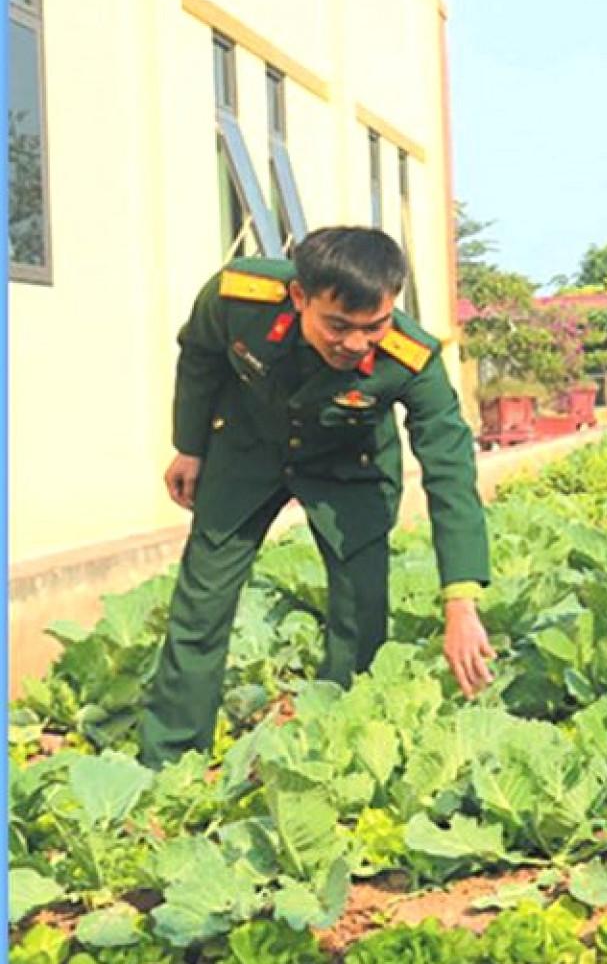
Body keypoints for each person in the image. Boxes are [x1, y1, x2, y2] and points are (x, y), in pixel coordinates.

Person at [139, 227, 496, 765]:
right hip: (247, 447)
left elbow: (451, 470)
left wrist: (461, 599)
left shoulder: (411, 359)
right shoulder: (240, 297)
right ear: (300, 297)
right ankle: (167, 759)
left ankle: (341, 754)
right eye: (338, 326)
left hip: (349, 467)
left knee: (361, 610)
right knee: (200, 604)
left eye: (373, 327)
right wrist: (189, 445)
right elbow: (200, 354)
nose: (355, 344)